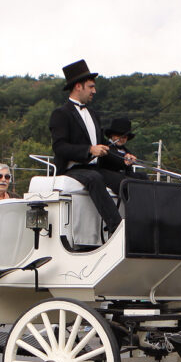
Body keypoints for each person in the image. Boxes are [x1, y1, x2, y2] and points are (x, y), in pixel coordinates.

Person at [48, 59, 128, 234]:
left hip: (95, 168)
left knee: (125, 182)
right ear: (78, 86)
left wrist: (124, 160)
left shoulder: (92, 114)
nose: (94, 91)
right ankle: (116, 229)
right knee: (94, 179)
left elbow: (103, 146)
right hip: (73, 169)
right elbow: (60, 147)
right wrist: (89, 150)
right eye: (91, 87)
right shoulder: (60, 114)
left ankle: (137, 223)